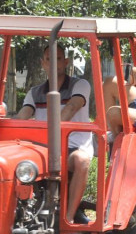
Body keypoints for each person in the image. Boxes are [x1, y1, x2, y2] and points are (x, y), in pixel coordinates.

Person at [16, 47, 93, 224]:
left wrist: (51, 129)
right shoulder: (34, 92)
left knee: (81, 160)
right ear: (43, 63)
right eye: (48, 59)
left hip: (72, 146)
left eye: (58, 59)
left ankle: (68, 218)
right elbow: (23, 116)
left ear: (66, 62)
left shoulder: (80, 85)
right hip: (42, 147)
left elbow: (72, 107)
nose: (53, 63)